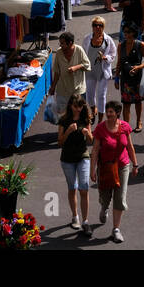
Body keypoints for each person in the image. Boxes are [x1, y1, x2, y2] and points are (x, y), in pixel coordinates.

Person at [91, 100, 138, 243]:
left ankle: (116, 229)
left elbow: (129, 146)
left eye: (111, 111)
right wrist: (93, 169)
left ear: (117, 113)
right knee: (105, 197)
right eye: (107, 111)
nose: (108, 114)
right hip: (105, 167)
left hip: (122, 166)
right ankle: (104, 208)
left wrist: (135, 164)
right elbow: (95, 150)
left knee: (120, 197)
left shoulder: (125, 127)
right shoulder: (100, 128)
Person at [57, 96, 94, 235]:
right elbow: (59, 142)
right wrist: (68, 131)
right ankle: (75, 217)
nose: (78, 109)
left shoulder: (85, 119)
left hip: (83, 156)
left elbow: (91, 141)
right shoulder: (64, 120)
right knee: (72, 188)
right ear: (70, 106)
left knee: (84, 188)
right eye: (75, 106)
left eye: (80, 106)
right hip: (67, 158)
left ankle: (85, 221)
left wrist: (87, 133)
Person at [82, 17, 118, 120]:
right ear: (92, 27)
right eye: (95, 25)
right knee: (89, 95)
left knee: (101, 95)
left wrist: (105, 57)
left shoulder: (108, 40)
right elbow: (83, 53)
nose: (98, 27)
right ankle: (93, 109)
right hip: (90, 71)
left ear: (103, 27)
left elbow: (113, 53)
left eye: (100, 25)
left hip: (102, 71)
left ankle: (100, 121)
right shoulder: (87, 38)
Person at [118, 26, 144, 133]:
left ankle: (138, 122)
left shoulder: (140, 45)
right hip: (125, 78)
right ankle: (126, 125)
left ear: (133, 33)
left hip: (137, 77)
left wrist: (139, 67)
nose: (125, 34)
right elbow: (119, 62)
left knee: (137, 101)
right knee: (126, 103)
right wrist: (116, 78)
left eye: (128, 31)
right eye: (124, 31)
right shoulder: (121, 45)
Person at [50, 31, 90, 114]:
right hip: (63, 90)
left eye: (62, 43)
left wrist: (76, 67)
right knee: (63, 114)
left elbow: (87, 65)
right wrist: (53, 87)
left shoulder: (79, 50)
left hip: (78, 90)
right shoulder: (59, 52)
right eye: (60, 43)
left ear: (70, 43)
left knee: (79, 113)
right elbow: (57, 72)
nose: (60, 45)